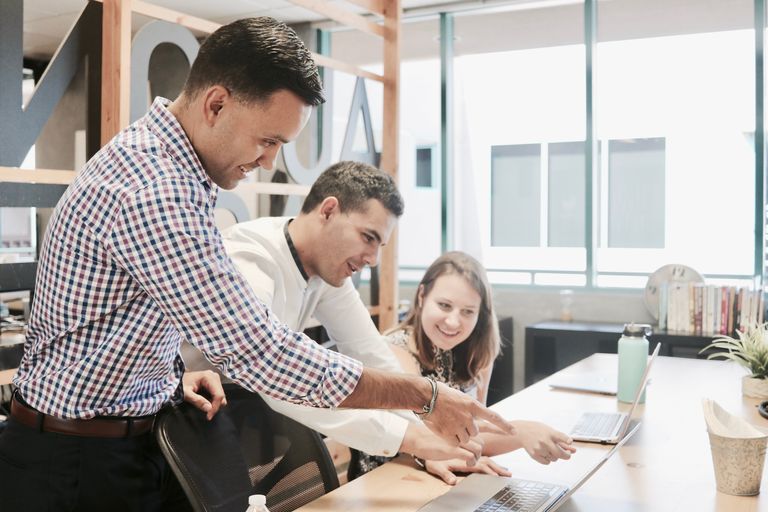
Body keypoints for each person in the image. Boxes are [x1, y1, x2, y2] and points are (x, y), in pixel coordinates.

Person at [0, 18, 512, 512]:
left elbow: (118, 317)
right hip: (74, 462)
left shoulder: (172, 166)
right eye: (268, 140)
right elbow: (259, 352)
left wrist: (166, 375)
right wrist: (424, 396)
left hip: (132, 431)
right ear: (216, 104)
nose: (269, 161)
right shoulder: (155, 192)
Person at [183, 160, 480, 470]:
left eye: (380, 245)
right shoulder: (250, 257)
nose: (374, 259)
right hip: (180, 418)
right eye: (368, 237)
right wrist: (411, 438)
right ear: (327, 211)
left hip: (235, 419)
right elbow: (278, 375)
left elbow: (370, 352)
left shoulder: (326, 269)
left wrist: (425, 436)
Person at [352, 251, 577, 484]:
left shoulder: (479, 353)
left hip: (446, 476)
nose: (453, 321)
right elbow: (424, 437)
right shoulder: (395, 350)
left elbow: (473, 437)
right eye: (444, 305)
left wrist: (524, 434)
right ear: (421, 296)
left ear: (480, 314)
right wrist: (518, 430)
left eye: (468, 311)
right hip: (388, 480)